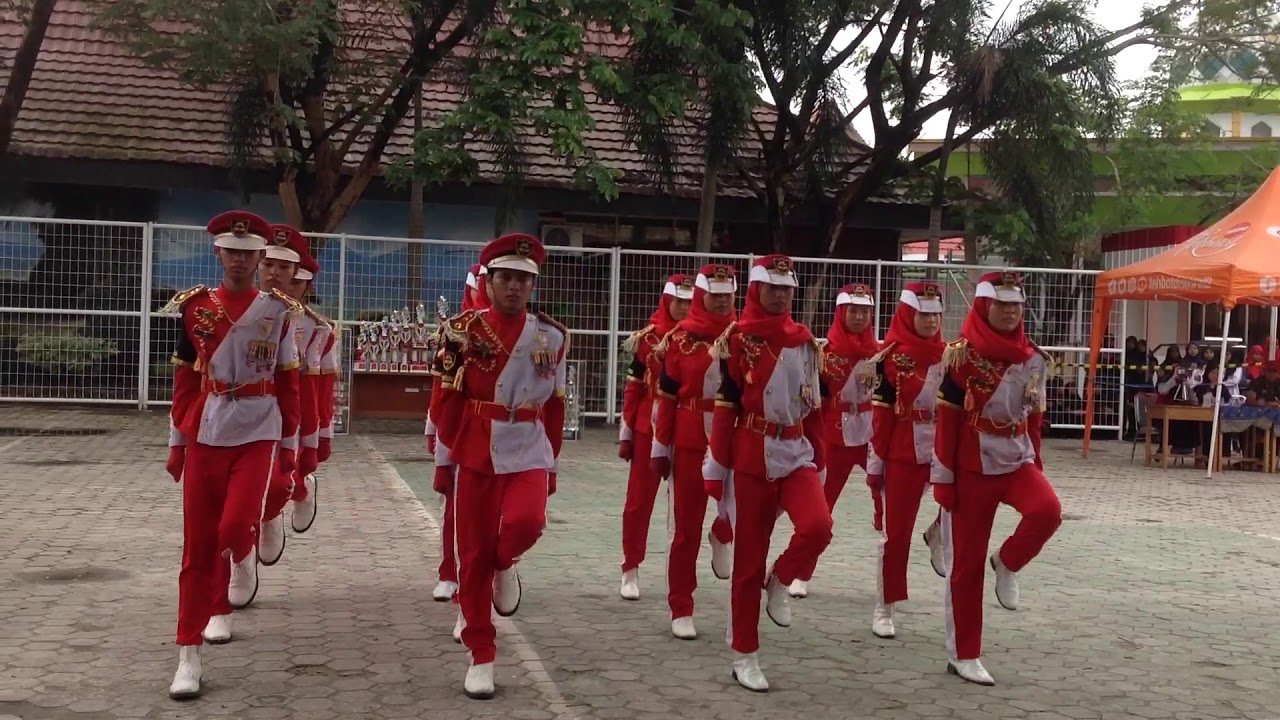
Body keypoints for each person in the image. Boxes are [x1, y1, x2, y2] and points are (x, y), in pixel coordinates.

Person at [164, 210, 302, 699]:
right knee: (198, 544)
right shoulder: (195, 308)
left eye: (249, 252)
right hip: (207, 428)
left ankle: (242, 558)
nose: (240, 259)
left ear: (261, 256)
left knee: (236, 523)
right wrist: (177, 444)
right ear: (218, 253)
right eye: (232, 250)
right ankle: (188, 654)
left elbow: (288, 383)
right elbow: (183, 382)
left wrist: (290, 451)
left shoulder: (278, 311)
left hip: (259, 427)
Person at [430, 234, 566, 700]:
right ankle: (481, 654)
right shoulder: (459, 330)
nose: (513, 287)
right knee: (472, 553)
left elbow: (556, 405)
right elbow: (446, 399)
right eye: (505, 277)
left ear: (533, 284)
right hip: (477, 448)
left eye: (523, 279)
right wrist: (446, 457)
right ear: (488, 281)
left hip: (528, 445)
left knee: (527, 523)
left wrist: (552, 461)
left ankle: (506, 564)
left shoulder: (552, 335)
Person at [703, 254, 833, 692]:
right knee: (747, 561)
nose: (780, 294)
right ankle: (744, 653)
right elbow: (726, 405)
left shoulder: (804, 342)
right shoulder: (737, 340)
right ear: (757, 290)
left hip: (796, 450)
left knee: (818, 527)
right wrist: (717, 468)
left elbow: (814, 405)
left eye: (786, 288)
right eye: (771, 287)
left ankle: (781, 578)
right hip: (751, 454)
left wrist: (822, 456)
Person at [931, 270, 1062, 687]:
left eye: (1016, 305)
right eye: (1001, 304)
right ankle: (964, 654)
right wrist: (944, 480)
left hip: (1018, 457)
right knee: (965, 567)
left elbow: (1035, 418)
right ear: (985, 307)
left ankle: (1007, 562)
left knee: (1047, 511)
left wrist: (1036, 463)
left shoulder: (1034, 358)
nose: (1009, 312)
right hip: (971, 465)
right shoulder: (960, 356)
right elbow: (947, 426)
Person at [650, 264, 738, 640]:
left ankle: (723, 533)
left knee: (740, 513)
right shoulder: (679, 339)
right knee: (685, 528)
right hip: (689, 440)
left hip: (736, 437)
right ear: (702, 295)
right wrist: (659, 445)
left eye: (727, 295)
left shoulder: (746, 337)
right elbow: (666, 397)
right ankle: (681, 604)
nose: (720, 301)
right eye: (714, 294)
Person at [786, 283, 882, 599]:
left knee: (889, 507)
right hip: (834, 437)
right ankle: (800, 572)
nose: (859, 317)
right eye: (853, 311)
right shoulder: (824, 354)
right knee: (822, 507)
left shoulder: (882, 353)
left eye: (865, 311)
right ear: (841, 313)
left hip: (872, 437)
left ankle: (890, 582)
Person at [865, 281, 946, 638]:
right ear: (908, 314)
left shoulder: (950, 354)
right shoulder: (889, 357)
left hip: (944, 445)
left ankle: (937, 532)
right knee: (896, 534)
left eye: (935, 314)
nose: (930, 321)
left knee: (966, 507)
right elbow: (881, 416)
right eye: (923, 314)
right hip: (902, 450)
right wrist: (876, 463)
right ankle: (885, 606)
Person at [253, 225, 322, 580]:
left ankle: (274, 511)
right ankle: (243, 556)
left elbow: (312, 387)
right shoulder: (245, 311)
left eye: (286, 268)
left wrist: (315, 439)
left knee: (284, 480)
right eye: (269, 263)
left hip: (289, 407)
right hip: (246, 412)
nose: (277, 274)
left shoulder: (313, 326)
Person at [618, 274, 693, 601]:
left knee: (684, 508)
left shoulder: (704, 340)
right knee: (638, 502)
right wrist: (627, 432)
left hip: (687, 429)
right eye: (679, 302)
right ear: (666, 301)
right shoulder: (647, 340)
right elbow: (633, 388)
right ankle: (630, 568)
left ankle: (678, 576)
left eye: (690, 302)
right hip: (649, 428)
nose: (684, 308)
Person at [427, 263, 488, 605]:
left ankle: (494, 571)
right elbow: (440, 389)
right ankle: (449, 572)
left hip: (497, 430)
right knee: (451, 504)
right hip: (457, 426)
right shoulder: (454, 332)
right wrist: (433, 430)